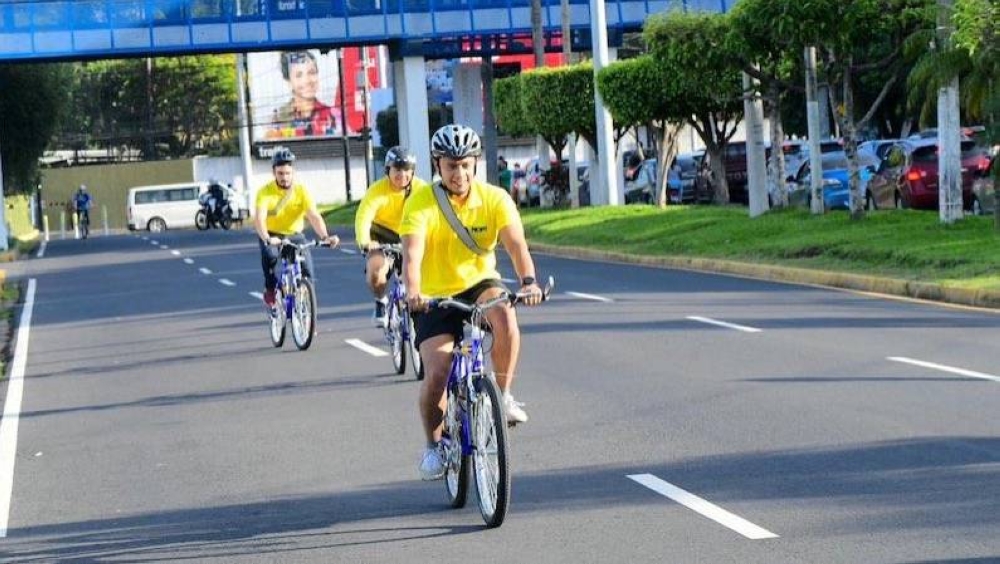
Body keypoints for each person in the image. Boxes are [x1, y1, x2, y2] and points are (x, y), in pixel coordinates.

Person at [400, 124, 543, 481]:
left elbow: (516, 246)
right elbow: (411, 256)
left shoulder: (495, 198)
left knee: (505, 315)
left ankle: (503, 396)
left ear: (475, 163)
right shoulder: (420, 202)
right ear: (438, 165)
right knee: (438, 371)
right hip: (433, 295)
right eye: (452, 166)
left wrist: (528, 282)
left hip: (480, 283)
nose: (460, 173)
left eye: (465, 164)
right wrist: (414, 292)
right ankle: (434, 446)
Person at [354, 146, 431, 327]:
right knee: (376, 270)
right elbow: (364, 217)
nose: (402, 175)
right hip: (382, 236)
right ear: (388, 170)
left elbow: (434, 214)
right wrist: (365, 241)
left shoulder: (422, 189)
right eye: (397, 169)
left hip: (410, 234)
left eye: (407, 170)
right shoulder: (377, 190)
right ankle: (381, 300)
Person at [255, 147, 340, 308]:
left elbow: (314, 216)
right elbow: (259, 219)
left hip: (294, 235)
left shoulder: (301, 191)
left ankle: (307, 311)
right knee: (270, 255)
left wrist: (325, 237)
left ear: (293, 172)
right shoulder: (265, 192)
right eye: (280, 173)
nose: (284, 177)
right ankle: (270, 288)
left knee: (307, 271)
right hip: (272, 234)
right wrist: (267, 238)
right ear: (274, 173)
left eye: (288, 173)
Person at [266, 50, 337, 139]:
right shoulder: (279, 119)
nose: (307, 80)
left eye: (311, 72)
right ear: (289, 82)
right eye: (299, 75)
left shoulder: (332, 115)